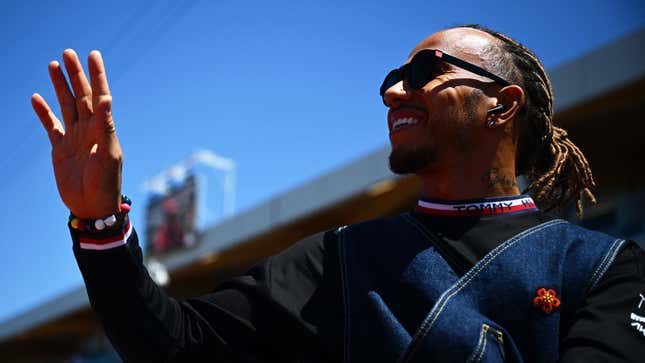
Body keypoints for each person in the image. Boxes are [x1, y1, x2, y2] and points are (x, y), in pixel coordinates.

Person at [32, 25, 645, 362]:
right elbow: (176, 344)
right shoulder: (338, 257)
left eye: (425, 70)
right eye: (391, 79)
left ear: (502, 106)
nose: (394, 92)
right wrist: (100, 224)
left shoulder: (607, 268)